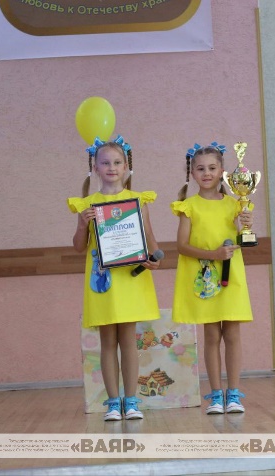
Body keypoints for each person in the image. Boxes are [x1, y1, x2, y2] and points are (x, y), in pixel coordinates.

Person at [68, 135, 161, 421]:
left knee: (128, 340)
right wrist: (82, 225)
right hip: (103, 281)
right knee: (107, 340)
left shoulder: (138, 201)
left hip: (131, 279)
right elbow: (79, 246)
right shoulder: (88, 204)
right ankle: (112, 402)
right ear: (95, 167)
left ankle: (131, 401)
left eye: (117, 162)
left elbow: (150, 239)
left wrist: (155, 258)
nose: (112, 167)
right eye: (105, 163)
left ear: (126, 167)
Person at [171, 142, 254, 415]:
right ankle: (216, 394)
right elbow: (182, 246)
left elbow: (242, 240)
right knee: (211, 335)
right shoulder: (188, 207)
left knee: (232, 333)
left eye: (212, 168)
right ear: (192, 173)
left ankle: (234, 393)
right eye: (200, 168)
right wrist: (213, 254)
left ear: (222, 171)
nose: (206, 173)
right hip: (205, 278)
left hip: (231, 275)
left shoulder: (235, 204)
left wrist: (247, 226)